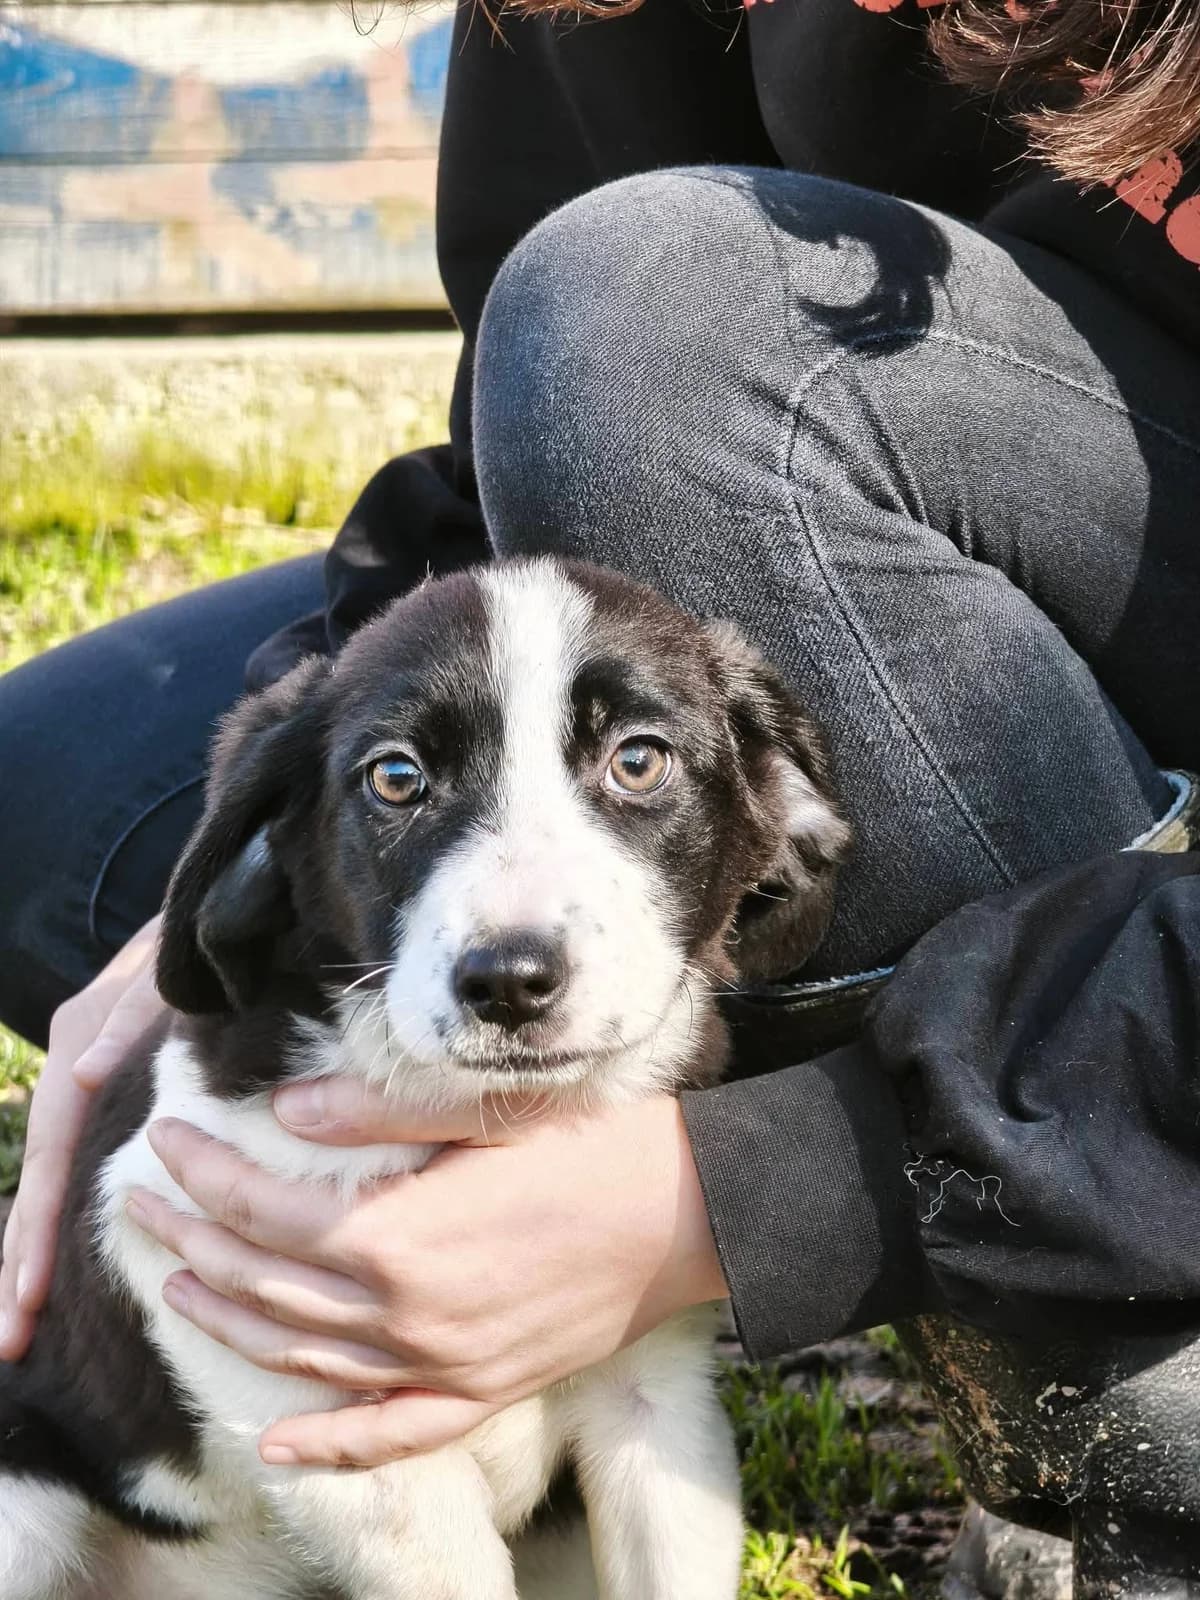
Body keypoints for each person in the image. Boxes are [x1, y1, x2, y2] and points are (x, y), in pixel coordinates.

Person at [1, 0, 1199, 1484]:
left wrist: (753, 1197)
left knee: (652, 310)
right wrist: (299, 811)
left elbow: (636, 342)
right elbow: (535, 451)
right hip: (915, 518)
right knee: (58, 807)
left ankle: (1120, 1371)